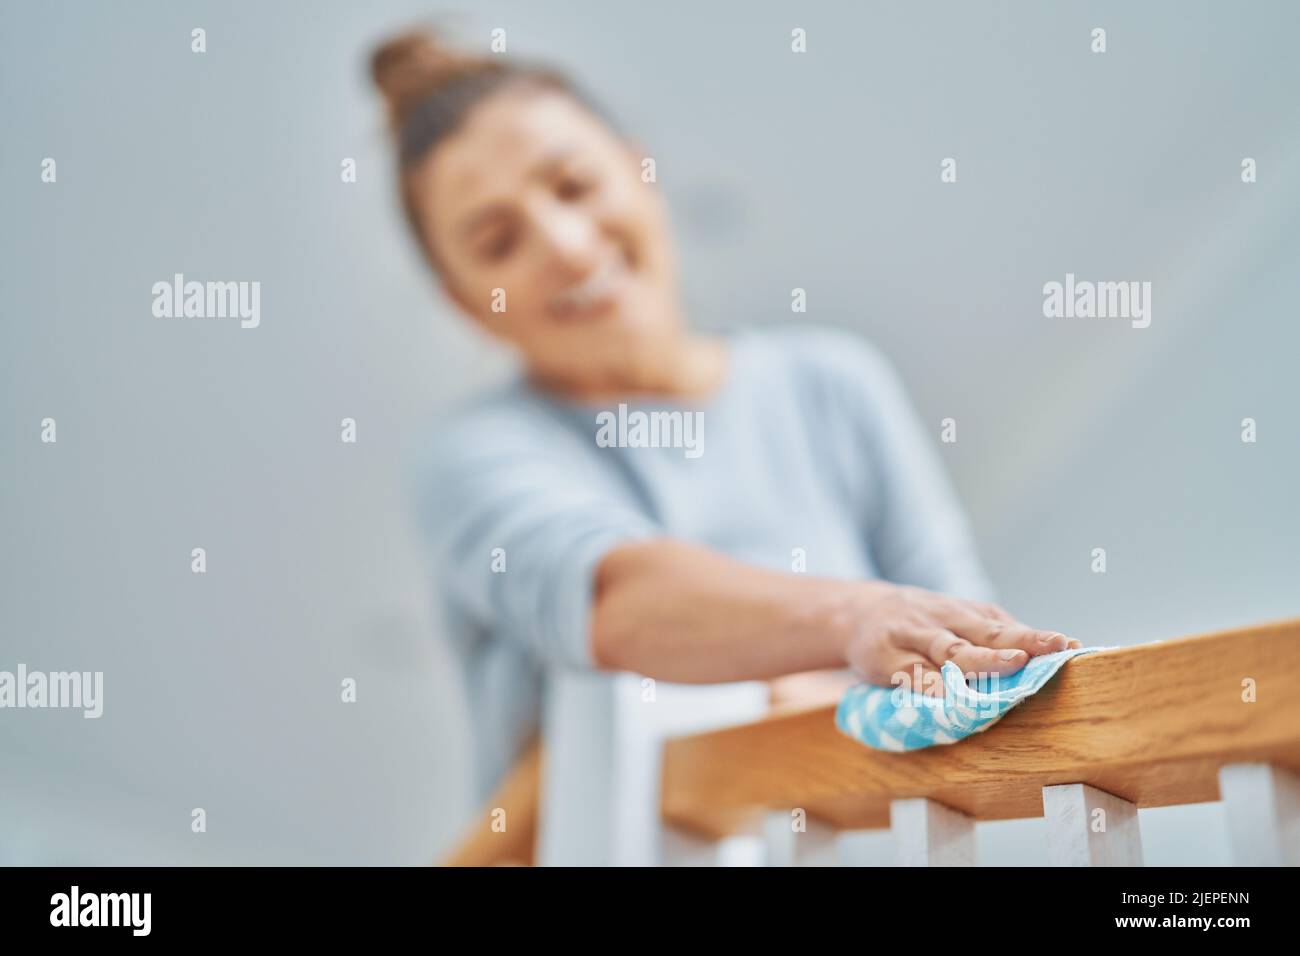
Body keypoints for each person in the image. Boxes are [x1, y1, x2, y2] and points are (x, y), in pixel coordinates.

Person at [371, 30, 1078, 804]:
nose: (568, 249)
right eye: (499, 242)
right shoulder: (474, 454)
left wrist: (854, 676)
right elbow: (612, 599)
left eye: (574, 185)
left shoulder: (833, 384)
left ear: (642, 173)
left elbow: (966, 646)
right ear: (465, 303)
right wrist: (850, 621)